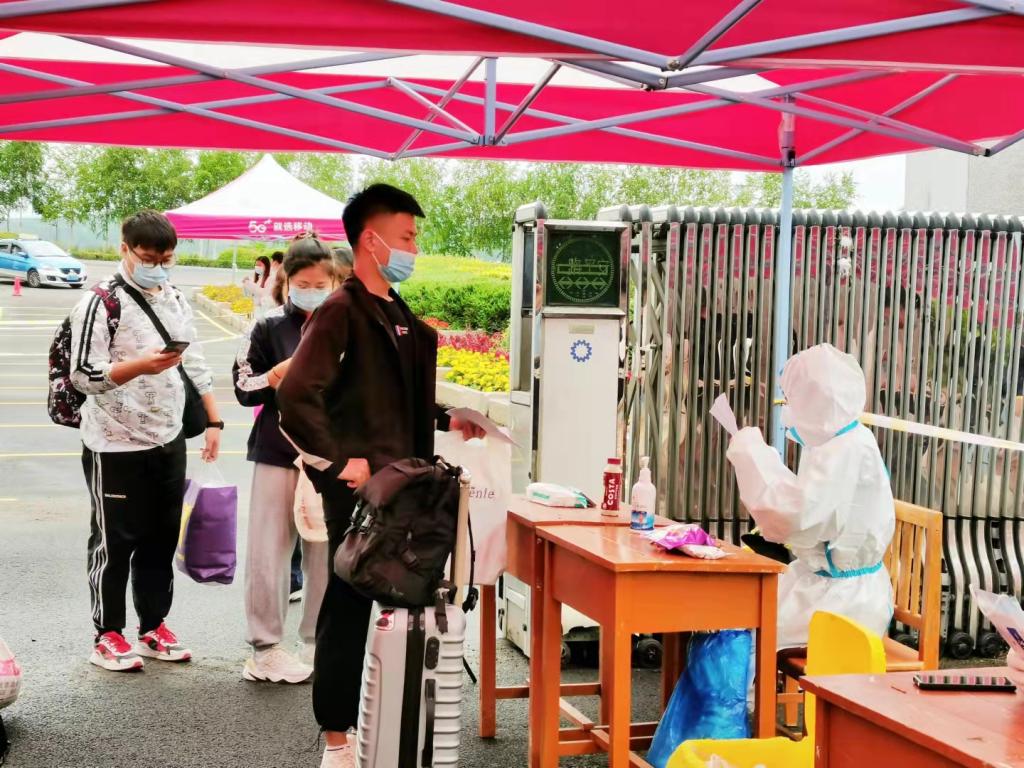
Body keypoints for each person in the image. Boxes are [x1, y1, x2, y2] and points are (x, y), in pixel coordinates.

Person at [277, 184, 483, 768]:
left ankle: (391, 726)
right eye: (406, 237)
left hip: (409, 489)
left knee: (403, 601)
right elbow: (296, 395)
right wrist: (339, 462)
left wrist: (447, 418)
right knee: (347, 607)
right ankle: (336, 740)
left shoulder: (395, 310)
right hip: (361, 494)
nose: (414, 248)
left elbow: (394, 395)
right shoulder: (341, 311)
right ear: (371, 240)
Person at [69, 210, 222, 672]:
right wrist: (140, 366)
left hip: (168, 437)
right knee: (114, 542)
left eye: (166, 258)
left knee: (160, 538)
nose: (158, 266)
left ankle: (153, 626)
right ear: (125, 249)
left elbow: (194, 362)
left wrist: (214, 421)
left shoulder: (174, 297)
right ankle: (107, 634)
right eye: (148, 257)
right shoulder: (101, 301)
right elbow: (82, 374)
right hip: (114, 442)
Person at [726, 343, 895, 649]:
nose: (787, 409)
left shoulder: (845, 449)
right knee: (740, 616)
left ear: (814, 401)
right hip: (824, 583)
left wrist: (752, 455)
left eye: (791, 399)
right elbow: (807, 506)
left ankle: (746, 684)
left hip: (846, 601)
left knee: (745, 635)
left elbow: (797, 517)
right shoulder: (836, 441)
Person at [233, 234, 337, 684]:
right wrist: (274, 375)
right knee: (269, 552)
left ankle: (316, 642)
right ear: (287, 281)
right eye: (303, 284)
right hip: (277, 452)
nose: (312, 291)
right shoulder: (267, 327)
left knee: (324, 552)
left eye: (321, 284)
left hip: (329, 457)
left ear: (334, 283)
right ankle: (265, 648)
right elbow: (243, 387)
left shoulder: (344, 328)